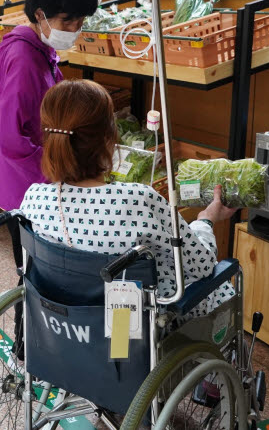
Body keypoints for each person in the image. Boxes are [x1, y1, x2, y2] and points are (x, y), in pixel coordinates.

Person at [17, 79, 238, 316]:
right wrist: (205, 220)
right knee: (221, 286)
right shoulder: (139, 200)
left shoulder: (34, 199)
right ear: (109, 139)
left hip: (64, 325)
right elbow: (201, 265)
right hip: (131, 329)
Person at [0, 0, 99, 266]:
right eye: (68, 20)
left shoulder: (39, 51)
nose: (75, 29)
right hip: (27, 185)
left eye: (80, 21)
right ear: (40, 15)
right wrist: (57, 170)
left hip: (27, 179)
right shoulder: (25, 59)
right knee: (35, 273)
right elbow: (12, 138)